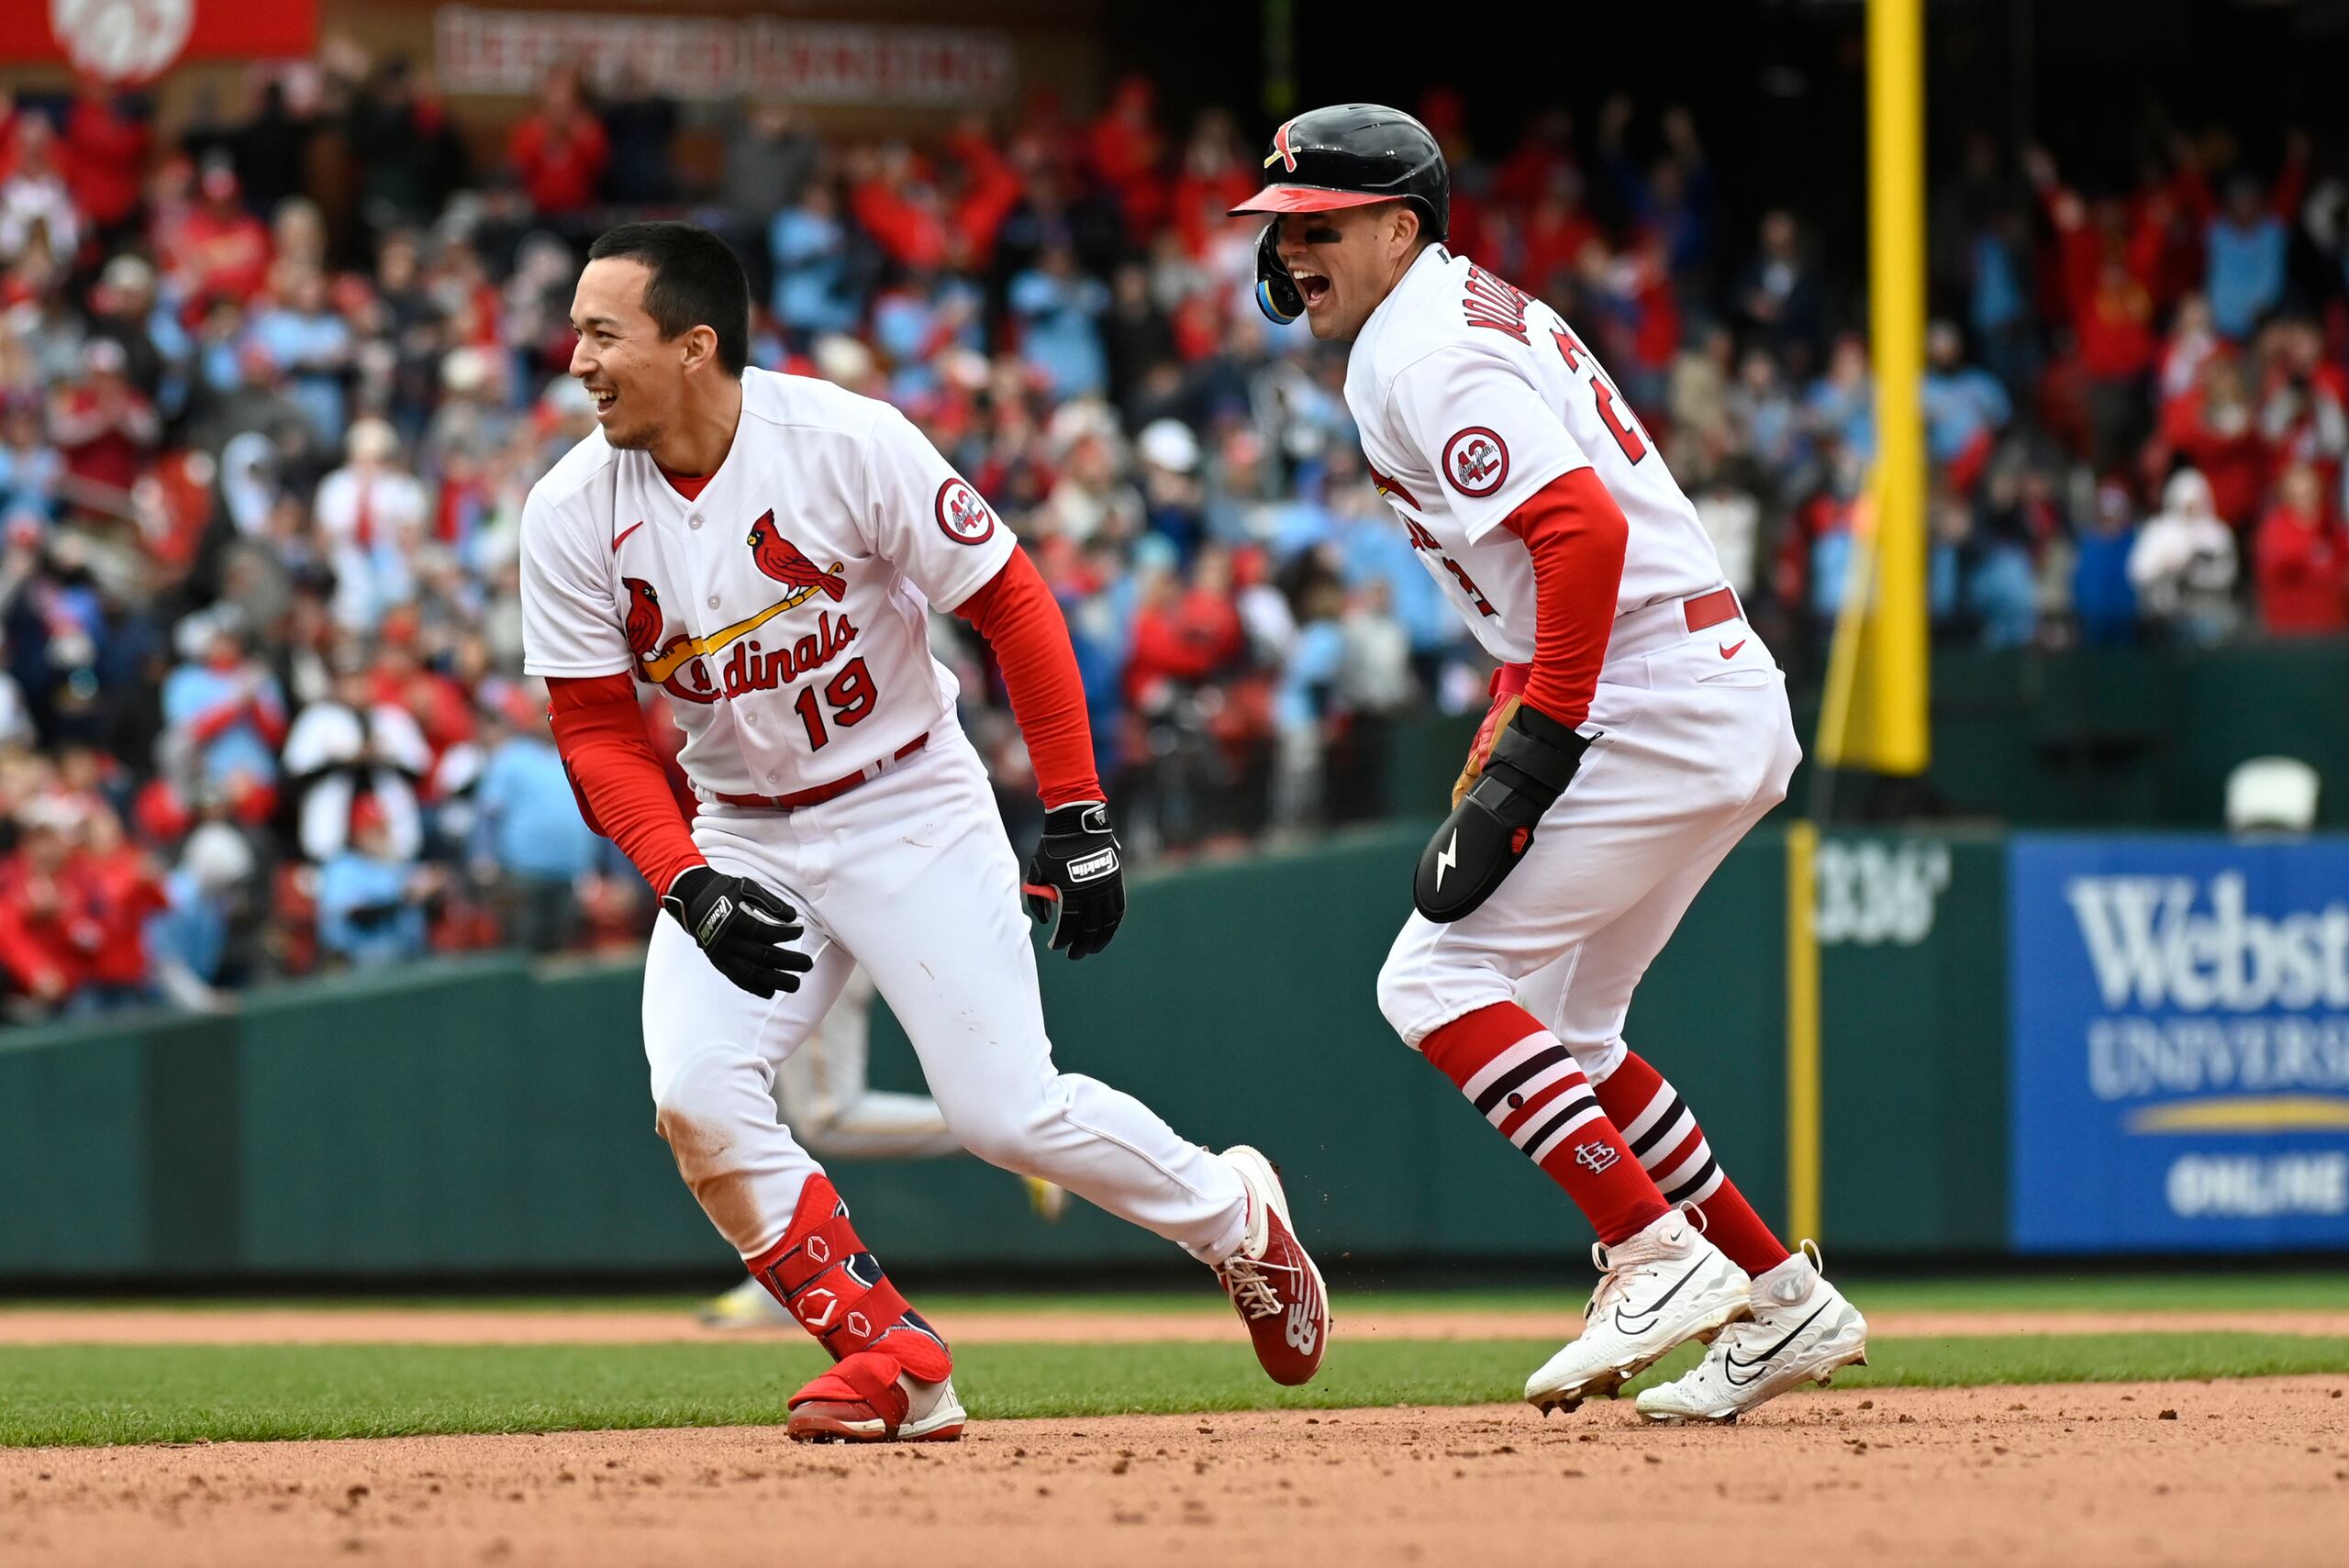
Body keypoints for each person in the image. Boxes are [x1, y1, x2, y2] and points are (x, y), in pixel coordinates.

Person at [519, 222, 1326, 1443]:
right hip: (742, 827)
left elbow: (1010, 601)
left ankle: (1235, 1218)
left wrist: (1079, 810)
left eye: (600, 331)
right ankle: (892, 1356)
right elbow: (593, 730)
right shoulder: (571, 507)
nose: (574, 358)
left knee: (1009, 1115)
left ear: (694, 346)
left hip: (906, 800)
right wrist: (682, 878)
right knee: (695, 1091)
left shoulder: (843, 442)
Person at [1232, 105, 1865, 1426]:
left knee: (1436, 977)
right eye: (1282, 227)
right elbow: (1549, 558)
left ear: (1401, 225)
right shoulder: (1456, 311)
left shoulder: (1421, 355)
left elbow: (1578, 534)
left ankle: (1650, 1251)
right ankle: (1783, 1298)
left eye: (1320, 224)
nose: (1293, 250)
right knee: (1575, 1029)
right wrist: (1523, 703)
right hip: (1691, 678)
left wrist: (1543, 739)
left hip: (1651, 688)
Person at [697, 962, 1071, 1330]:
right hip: (764, 948)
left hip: (805, 943)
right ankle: (785, 1281)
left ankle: (997, 1131)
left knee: (829, 1117)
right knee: (754, 1102)